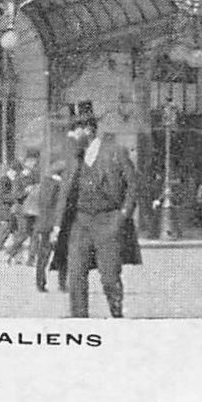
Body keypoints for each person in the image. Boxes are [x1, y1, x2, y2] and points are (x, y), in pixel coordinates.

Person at [50, 109, 141, 318]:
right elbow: (64, 192)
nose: (71, 135)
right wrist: (57, 225)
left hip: (108, 220)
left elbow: (133, 185)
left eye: (75, 130)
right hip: (79, 223)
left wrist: (123, 215)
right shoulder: (75, 157)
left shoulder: (115, 151)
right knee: (76, 276)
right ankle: (79, 322)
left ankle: (117, 316)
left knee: (109, 277)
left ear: (89, 130)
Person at [32, 159, 66, 292]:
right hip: (55, 223)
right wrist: (57, 225)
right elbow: (58, 206)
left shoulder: (45, 183)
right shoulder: (59, 185)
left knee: (43, 254)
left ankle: (40, 283)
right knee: (62, 253)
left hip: (44, 223)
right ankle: (62, 284)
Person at [0, 160, 24, 260]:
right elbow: (3, 196)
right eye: (17, 172)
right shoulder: (4, 180)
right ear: (12, 170)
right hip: (5, 210)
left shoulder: (15, 181)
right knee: (5, 233)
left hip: (13, 211)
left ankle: (17, 256)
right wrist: (16, 197)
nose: (18, 174)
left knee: (16, 234)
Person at [14, 152, 43, 264]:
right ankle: (11, 251)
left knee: (35, 234)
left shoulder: (36, 176)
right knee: (24, 234)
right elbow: (16, 195)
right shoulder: (19, 178)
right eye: (30, 162)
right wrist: (26, 191)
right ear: (25, 163)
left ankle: (31, 258)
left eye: (34, 162)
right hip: (22, 209)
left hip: (35, 209)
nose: (33, 164)